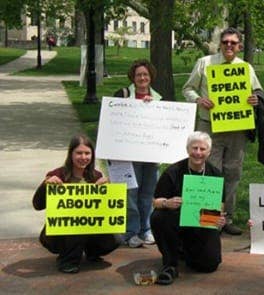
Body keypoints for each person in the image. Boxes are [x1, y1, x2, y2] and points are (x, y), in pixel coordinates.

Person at [182, 27, 264, 235]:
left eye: (233, 42)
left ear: (239, 46)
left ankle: (226, 218)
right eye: (225, 42)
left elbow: (257, 90)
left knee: (233, 172)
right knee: (209, 171)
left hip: (236, 128)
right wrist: (199, 99)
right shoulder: (205, 63)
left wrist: (255, 98)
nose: (229, 45)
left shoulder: (245, 68)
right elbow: (187, 89)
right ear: (220, 44)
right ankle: (208, 219)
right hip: (209, 125)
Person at [32, 135, 118, 273]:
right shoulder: (57, 174)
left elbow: (106, 211)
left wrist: (106, 190)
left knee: (115, 239)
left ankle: (91, 251)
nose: (83, 157)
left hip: (90, 226)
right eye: (79, 153)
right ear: (70, 154)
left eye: (87, 153)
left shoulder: (96, 175)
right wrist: (45, 185)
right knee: (78, 223)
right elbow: (38, 205)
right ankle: (67, 260)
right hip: (59, 232)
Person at [150, 131, 227, 285]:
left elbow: (220, 206)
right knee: (158, 216)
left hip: (202, 221)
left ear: (209, 152)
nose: (198, 153)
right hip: (175, 221)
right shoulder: (173, 171)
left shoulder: (215, 175)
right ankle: (170, 263)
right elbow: (155, 202)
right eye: (194, 148)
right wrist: (167, 203)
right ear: (187, 149)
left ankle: (185, 251)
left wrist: (220, 219)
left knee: (208, 265)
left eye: (202, 149)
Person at [112, 59, 162, 248]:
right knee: (131, 194)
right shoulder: (123, 95)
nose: (142, 78)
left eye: (145, 75)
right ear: (133, 77)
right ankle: (131, 232)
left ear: (151, 78)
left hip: (151, 154)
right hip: (127, 155)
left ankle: (146, 229)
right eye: (139, 75)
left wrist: (152, 108)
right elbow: (112, 120)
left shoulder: (158, 100)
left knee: (148, 193)